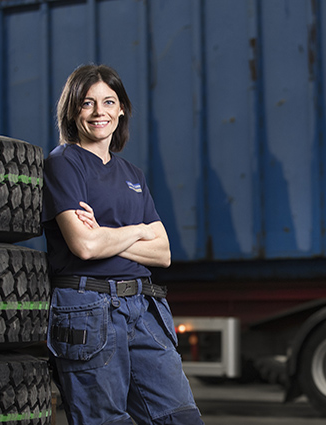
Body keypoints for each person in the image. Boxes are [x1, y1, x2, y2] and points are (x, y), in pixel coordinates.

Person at [42, 63, 204, 425]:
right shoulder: (63, 163)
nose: (98, 112)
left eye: (109, 102)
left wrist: (106, 233)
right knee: (105, 421)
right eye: (87, 103)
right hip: (89, 307)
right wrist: (138, 230)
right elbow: (84, 246)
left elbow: (163, 252)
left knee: (181, 418)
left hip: (143, 307)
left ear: (121, 110)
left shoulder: (133, 175)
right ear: (73, 111)